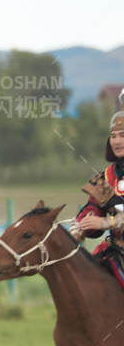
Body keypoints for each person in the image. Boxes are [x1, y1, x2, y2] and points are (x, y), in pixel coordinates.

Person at [73, 98, 124, 253]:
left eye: (122, 135)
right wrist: (79, 227)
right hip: (117, 251)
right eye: (113, 136)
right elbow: (93, 208)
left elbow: (104, 221)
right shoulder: (107, 177)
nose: (117, 141)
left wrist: (105, 223)